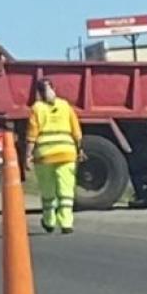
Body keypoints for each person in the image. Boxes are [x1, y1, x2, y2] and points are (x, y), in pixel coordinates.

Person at [25, 79, 84, 234]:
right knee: (66, 191)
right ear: (54, 87)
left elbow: (32, 134)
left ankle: (49, 221)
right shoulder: (65, 106)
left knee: (48, 191)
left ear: (38, 92)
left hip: (44, 156)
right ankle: (66, 223)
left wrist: (28, 156)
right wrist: (80, 150)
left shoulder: (36, 108)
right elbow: (76, 130)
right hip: (66, 153)